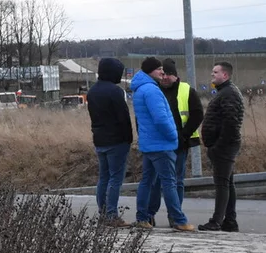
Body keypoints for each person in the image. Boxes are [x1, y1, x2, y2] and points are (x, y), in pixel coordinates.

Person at [132, 57, 195, 231]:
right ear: (150, 71)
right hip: (161, 144)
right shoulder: (152, 91)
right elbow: (160, 119)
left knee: (147, 181)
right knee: (169, 182)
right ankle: (179, 220)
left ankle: (142, 218)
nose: (162, 72)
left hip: (148, 144)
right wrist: (173, 135)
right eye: (159, 69)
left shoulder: (140, 89)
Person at [147, 58, 205, 226]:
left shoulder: (187, 90)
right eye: (163, 74)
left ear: (176, 76)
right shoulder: (154, 90)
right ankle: (150, 214)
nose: (165, 78)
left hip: (180, 143)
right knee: (156, 181)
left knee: (176, 181)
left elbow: (197, 115)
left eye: (169, 74)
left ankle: (175, 215)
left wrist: (183, 135)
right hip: (159, 144)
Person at [86, 57, 133, 227]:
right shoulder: (115, 91)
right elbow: (124, 117)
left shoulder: (92, 91)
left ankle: (103, 213)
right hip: (117, 140)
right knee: (115, 178)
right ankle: (112, 215)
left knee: (103, 177)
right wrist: (129, 138)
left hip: (99, 139)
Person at [198, 61, 244, 232]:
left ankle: (216, 221)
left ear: (225, 75)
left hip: (224, 146)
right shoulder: (225, 92)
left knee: (222, 183)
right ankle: (230, 221)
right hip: (224, 145)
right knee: (228, 182)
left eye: (215, 72)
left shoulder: (229, 93)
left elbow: (231, 123)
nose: (212, 75)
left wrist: (218, 145)